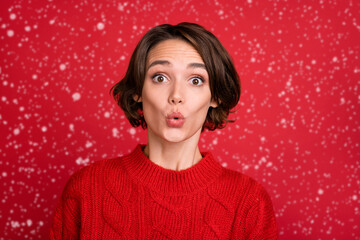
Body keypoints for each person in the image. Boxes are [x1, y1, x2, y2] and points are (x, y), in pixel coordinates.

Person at [50, 22, 278, 239]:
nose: (176, 95)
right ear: (138, 90)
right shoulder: (86, 189)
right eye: (160, 77)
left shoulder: (249, 202)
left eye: (196, 80)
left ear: (215, 97)